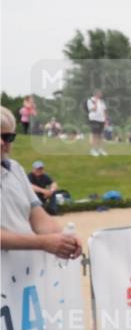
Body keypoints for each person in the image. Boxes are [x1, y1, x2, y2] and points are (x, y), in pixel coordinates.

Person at [0, 107, 82, 259]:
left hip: (22, 270)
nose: (1, 142)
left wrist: (65, 238)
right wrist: (42, 242)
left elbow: (38, 218)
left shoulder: (15, 169)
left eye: (7, 137)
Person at [86, 89, 108, 156]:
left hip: (101, 120)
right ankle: (93, 150)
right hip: (94, 119)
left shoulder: (101, 101)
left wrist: (105, 120)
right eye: (100, 93)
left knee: (101, 135)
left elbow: (104, 111)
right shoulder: (90, 100)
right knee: (95, 135)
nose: (101, 94)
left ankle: (100, 149)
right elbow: (93, 109)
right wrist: (95, 101)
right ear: (96, 94)